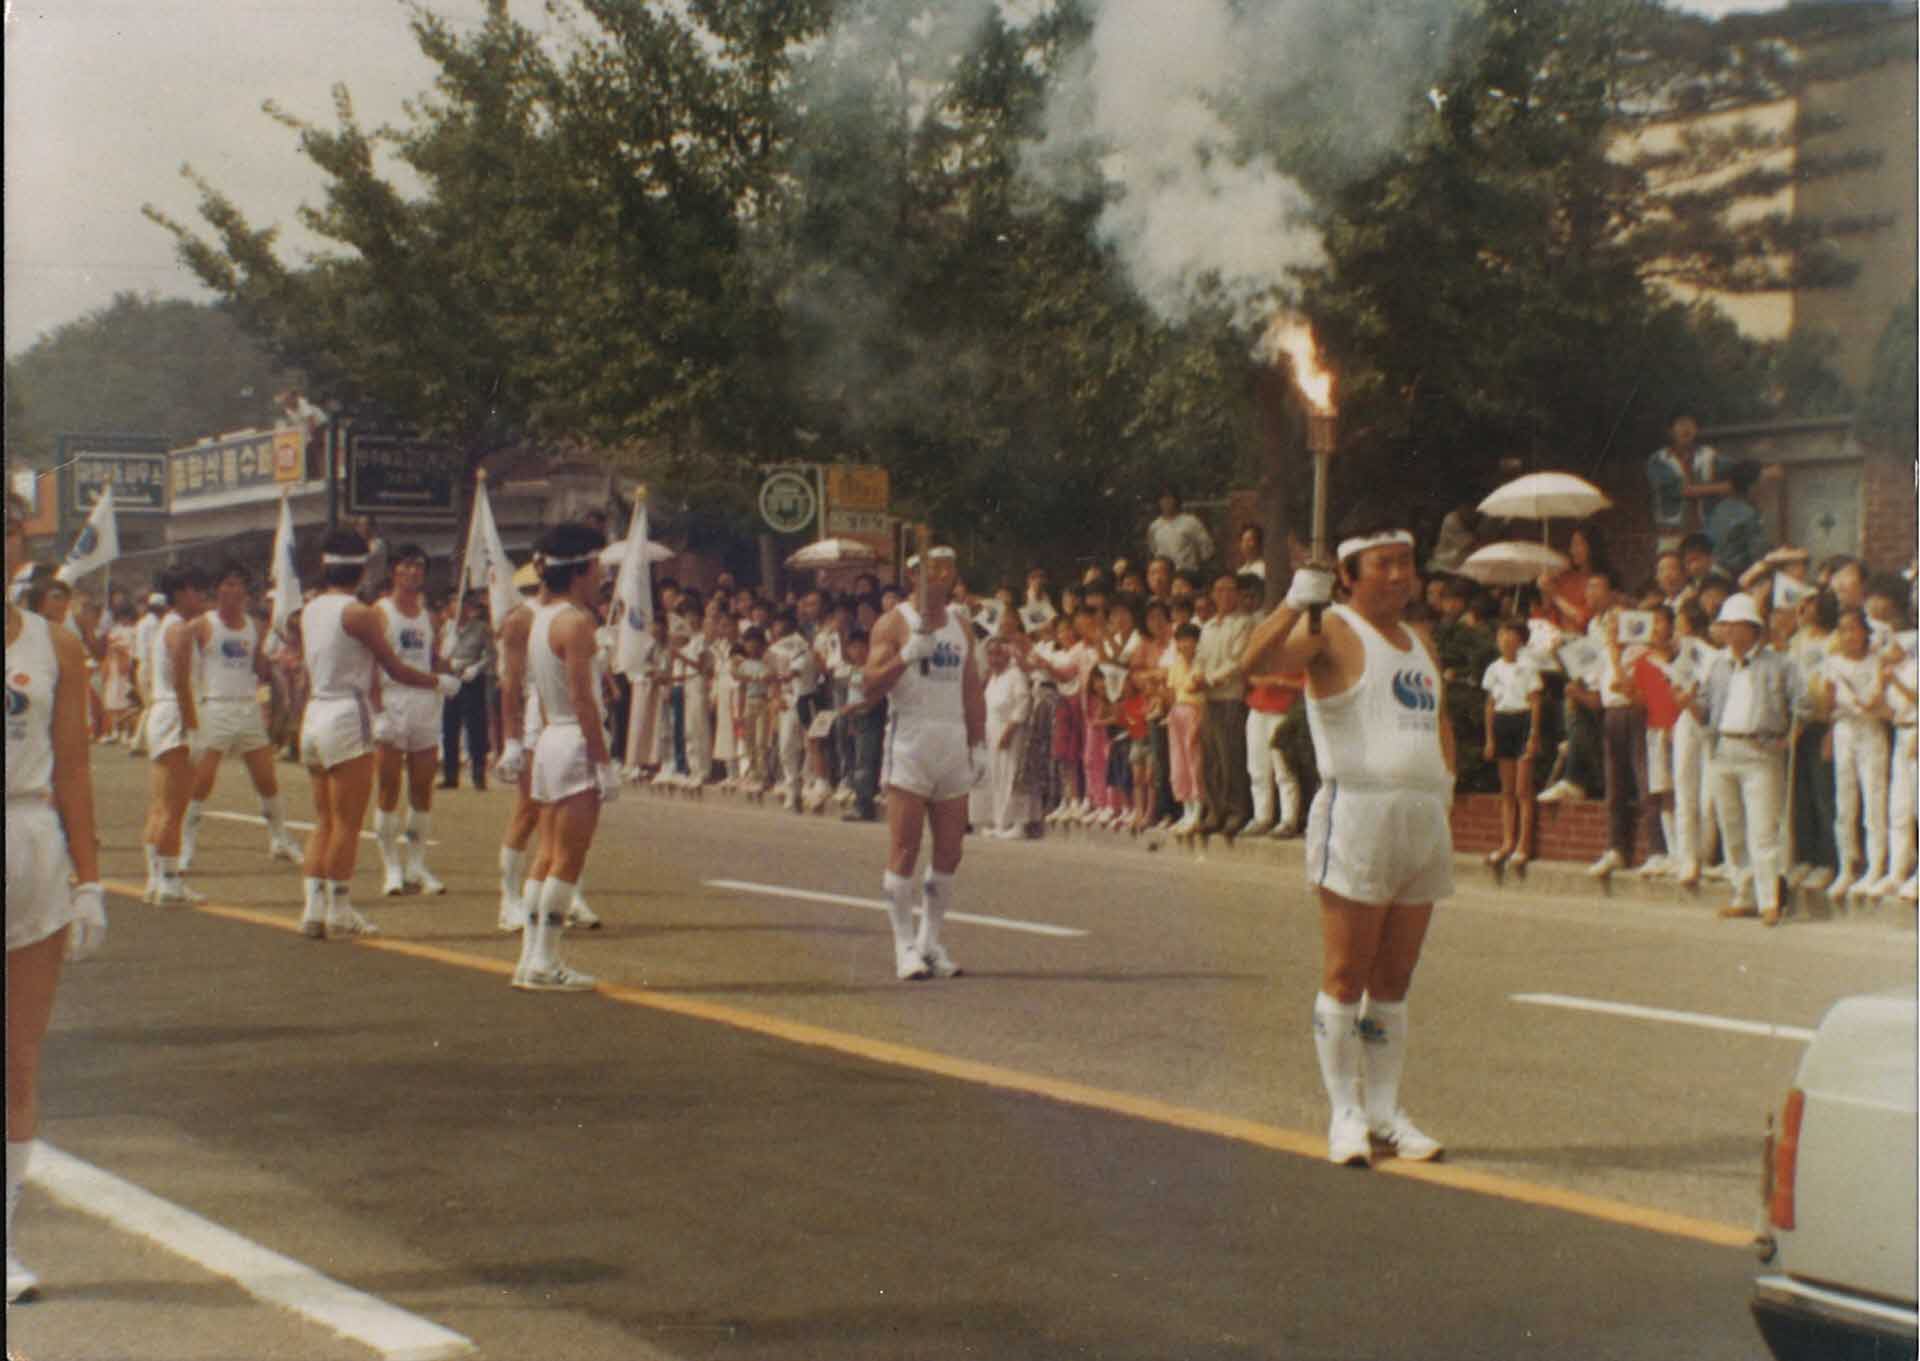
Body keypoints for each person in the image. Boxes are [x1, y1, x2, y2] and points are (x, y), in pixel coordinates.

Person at [1242, 518, 1452, 1167]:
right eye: (1383, 563)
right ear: (1350, 576)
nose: (1398, 574)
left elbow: (1439, 719)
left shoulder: (1421, 639)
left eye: (1405, 562)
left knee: (1394, 978)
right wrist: (1293, 601)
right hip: (1357, 810)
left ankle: (1386, 1109)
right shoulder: (1329, 626)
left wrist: (1444, 783)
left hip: (1419, 819)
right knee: (1346, 972)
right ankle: (1345, 1112)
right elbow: (1252, 664)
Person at [6, 490, 106, 1304]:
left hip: (31, 842)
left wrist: (92, 878)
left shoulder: (56, 644)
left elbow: (73, 765)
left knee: (19, 1056)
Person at [297, 529, 460, 939]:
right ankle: (339, 909)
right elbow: (396, 669)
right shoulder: (361, 613)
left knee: (323, 821)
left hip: (315, 711)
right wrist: (440, 683)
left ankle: (313, 910)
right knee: (347, 823)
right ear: (364, 567)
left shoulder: (311, 609)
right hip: (346, 715)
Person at [862, 546, 988, 981]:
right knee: (905, 848)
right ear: (914, 574)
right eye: (936, 569)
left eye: (951, 569)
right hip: (910, 741)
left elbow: (971, 689)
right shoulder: (893, 622)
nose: (946, 577)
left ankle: (931, 941)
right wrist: (906, 656)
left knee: (951, 850)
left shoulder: (960, 625)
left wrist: (979, 743)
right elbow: (869, 686)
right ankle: (904, 947)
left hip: (951, 741)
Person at [514, 522, 620, 992]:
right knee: (568, 858)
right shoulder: (576, 623)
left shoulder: (541, 617)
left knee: (547, 853)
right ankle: (546, 961)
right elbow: (583, 700)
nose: (600, 573)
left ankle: (531, 958)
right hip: (573, 739)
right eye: (596, 564)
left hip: (551, 739)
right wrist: (602, 762)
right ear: (580, 569)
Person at [180, 561, 301, 871]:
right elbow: (183, 674)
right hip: (215, 707)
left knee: (266, 779)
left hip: (246, 706)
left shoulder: (254, 626)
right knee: (202, 782)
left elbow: (258, 667)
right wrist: (190, 720)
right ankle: (186, 844)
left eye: (238, 585)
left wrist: (273, 667)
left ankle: (279, 838)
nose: (232, 590)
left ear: (247, 591)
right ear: (217, 589)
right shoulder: (201, 625)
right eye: (227, 584)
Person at [1697, 594, 1797, 927]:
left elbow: (1804, 703)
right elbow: (1705, 706)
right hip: (1724, 748)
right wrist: (1684, 702)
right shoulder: (1718, 665)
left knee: (1763, 830)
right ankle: (1743, 894)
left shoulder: (1779, 663)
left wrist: (1789, 737)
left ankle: (1770, 900)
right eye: (1725, 625)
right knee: (1732, 827)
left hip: (1760, 751)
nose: (1727, 632)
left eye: (1733, 625)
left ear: (1751, 628)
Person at [369, 545, 453, 897]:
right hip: (392, 700)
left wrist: (449, 662)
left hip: (424, 702)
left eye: (419, 567)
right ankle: (391, 867)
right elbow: (370, 666)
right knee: (389, 788)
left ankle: (416, 865)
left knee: (422, 787)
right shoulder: (380, 613)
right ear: (394, 572)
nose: (413, 573)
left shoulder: (429, 617)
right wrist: (376, 714)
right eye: (406, 566)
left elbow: (434, 662)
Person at [141, 565, 210, 906]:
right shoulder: (179, 630)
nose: (202, 597)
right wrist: (193, 728)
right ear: (181, 592)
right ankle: (169, 881)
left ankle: (156, 877)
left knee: (160, 804)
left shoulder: (164, 627)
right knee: (175, 805)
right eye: (197, 590)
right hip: (176, 713)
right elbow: (182, 683)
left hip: (162, 710)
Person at [1824, 606, 1890, 902]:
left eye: (1854, 628)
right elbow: (1828, 705)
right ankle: (1847, 866)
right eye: (1843, 630)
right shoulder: (1832, 663)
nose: (1849, 635)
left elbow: (1876, 701)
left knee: (1874, 801)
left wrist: (1867, 702)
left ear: (1865, 632)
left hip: (1871, 731)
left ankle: (1876, 866)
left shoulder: (1878, 662)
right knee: (1845, 803)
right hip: (1844, 732)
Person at [1482, 617, 1544, 869]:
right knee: (1506, 791)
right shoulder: (1493, 669)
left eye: (1511, 634)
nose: (1506, 639)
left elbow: (1535, 702)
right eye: (1502, 634)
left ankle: (1523, 845)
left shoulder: (1528, 668)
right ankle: (1507, 841)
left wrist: (1533, 735)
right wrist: (1489, 738)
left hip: (1522, 721)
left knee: (1522, 790)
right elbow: (1490, 704)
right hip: (1502, 723)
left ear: (1520, 640)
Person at [1645, 411, 1722, 552]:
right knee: (1669, 570)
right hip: (1671, 531)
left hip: (1704, 531)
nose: (1686, 429)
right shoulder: (1658, 460)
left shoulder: (1709, 455)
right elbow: (1680, 490)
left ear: (1696, 429)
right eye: (1681, 424)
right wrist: (1722, 487)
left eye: (1690, 424)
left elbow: (1733, 472)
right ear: (1670, 430)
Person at [440, 592, 492, 790]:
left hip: (472, 680)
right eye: (454, 603)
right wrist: (447, 661)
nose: (458, 607)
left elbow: (490, 655)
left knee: (475, 728)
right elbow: (440, 654)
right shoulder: (447, 628)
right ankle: (450, 775)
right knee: (449, 728)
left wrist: (476, 668)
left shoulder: (481, 629)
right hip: (451, 679)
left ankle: (478, 774)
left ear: (469, 607)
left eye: (461, 603)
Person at [981, 637, 1033, 837]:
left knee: (1011, 774)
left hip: (1010, 731)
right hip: (992, 731)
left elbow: (1022, 703)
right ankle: (1000, 822)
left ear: (1006, 654)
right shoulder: (993, 678)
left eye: (998, 654)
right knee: (996, 777)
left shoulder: (1015, 675)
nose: (994, 659)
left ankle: (1017, 823)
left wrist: (1009, 731)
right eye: (990, 654)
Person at [1707, 461, 1770, 580]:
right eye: (1763, 483)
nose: (1766, 488)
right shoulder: (1749, 514)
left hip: (1713, 574)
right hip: (1735, 578)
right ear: (1752, 487)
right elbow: (1760, 555)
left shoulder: (1720, 508)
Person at [1146, 488, 1215, 572]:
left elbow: (1207, 549)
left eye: (1170, 498)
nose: (1166, 502)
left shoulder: (1191, 522)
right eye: (1163, 498)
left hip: (1188, 573)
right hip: (1164, 574)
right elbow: (1153, 550)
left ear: (1176, 500)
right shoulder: (1154, 526)